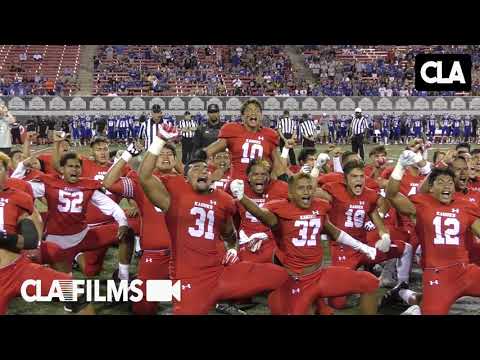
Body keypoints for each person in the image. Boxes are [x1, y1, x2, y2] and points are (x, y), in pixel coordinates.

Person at [138, 134, 289, 315]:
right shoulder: (175, 196)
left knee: (282, 277)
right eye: (195, 169)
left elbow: (229, 234)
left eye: (205, 168)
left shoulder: (223, 200)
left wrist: (233, 248)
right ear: (185, 178)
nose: (202, 171)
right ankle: (150, 291)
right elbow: (145, 176)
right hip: (191, 280)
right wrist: (160, 139)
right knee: (144, 302)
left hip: (220, 275)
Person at [230, 172, 379, 315]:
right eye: (301, 188)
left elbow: (335, 233)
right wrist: (242, 198)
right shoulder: (281, 212)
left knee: (369, 282)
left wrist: (362, 246)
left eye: (309, 187)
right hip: (296, 281)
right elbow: (262, 215)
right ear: (290, 194)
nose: (306, 192)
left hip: (318, 275)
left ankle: (317, 304)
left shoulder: (319, 207)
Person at [0, 152, 95, 315]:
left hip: (18, 270)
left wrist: (2, 236)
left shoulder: (19, 198)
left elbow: (30, 239)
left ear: (6, 171)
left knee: (75, 292)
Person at [386, 156, 480, 315]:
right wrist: (400, 166)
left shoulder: (466, 206)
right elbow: (392, 195)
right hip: (437, 274)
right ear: (430, 187)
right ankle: (405, 295)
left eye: (450, 182)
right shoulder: (422, 204)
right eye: (441, 182)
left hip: (464, 272)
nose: (447, 186)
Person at [19, 152, 132, 277]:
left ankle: (123, 277)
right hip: (58, 242)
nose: (74, 169)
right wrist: (22, 166)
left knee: (127, 232)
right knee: (66, 291)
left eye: (77, 167)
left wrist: (122, 223)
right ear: (62, 169)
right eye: (70, 166)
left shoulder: (87, 185)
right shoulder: (48, 183)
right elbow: (14, 187)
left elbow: (112, 207)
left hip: (83, 236)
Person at [103, 142, 175, 315]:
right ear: (152, 160)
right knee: (142, 308)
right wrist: (126, 156)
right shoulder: (139, 181)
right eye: (161, 154)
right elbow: (108, 182)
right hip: (155, 255)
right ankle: (132, 288)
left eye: (170, 154)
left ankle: (138, 286)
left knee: (193, 296)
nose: (165, 157)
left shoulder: (187, 181)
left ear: (176, 160)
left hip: (183, 254)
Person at [203, 99, 285, 183]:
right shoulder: (232, 130)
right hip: (238, 184)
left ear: (261, 116)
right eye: (249, 110)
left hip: (260, 184)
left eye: (257, 110)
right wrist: (209, 169)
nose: (253, 113)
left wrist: (284, 182)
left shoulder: (269, 135)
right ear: (242, 116)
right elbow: (208, 152)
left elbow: (278, 166)